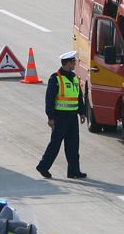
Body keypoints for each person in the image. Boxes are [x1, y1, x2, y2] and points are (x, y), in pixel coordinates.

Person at [36, 51, 87, 179]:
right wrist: (50, 117)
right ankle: (43, 166)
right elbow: (49, 99)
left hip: (72, 118)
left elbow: (78, 96)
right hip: (60, 118)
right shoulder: (56, 78)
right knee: (55, 145)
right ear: (67, 63)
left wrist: (82, 112)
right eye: (73, 61)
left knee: (73, 146)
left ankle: (74, 171)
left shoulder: (74, 77)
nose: (75, 63)